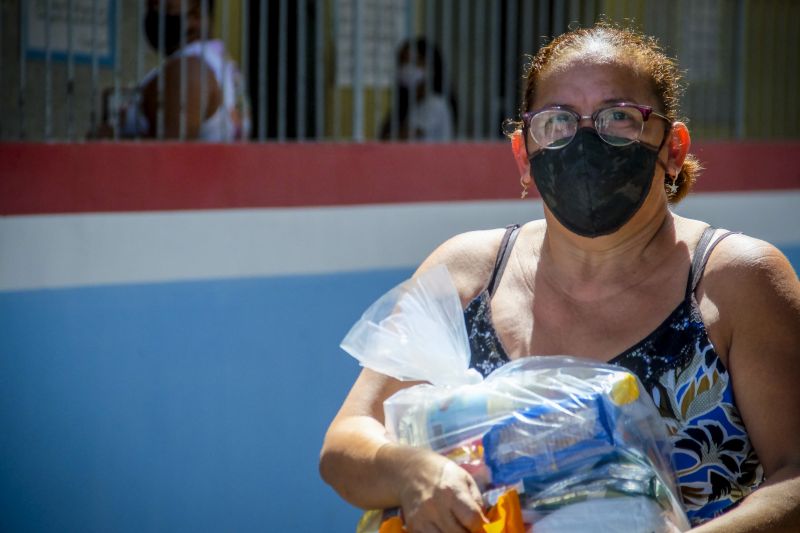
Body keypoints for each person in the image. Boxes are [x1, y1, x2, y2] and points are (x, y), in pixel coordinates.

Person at [320, 22, 800, 533]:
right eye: (557, 121)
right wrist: (412, 473)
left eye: (619, 117)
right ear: (523, 156)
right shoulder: (466, 274)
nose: (586, 140)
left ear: (673, 148)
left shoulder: (737, 281)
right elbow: (347, 442)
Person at [98, 0, 250, 141]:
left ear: (196, 14)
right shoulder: (214, 61)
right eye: (151, 5)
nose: (153, 13)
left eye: (163, 6)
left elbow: (170, 154)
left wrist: (111, 139)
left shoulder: (188, 70)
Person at [380, 38, 456, 141]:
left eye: (413, 62)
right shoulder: (409, 106)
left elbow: (401, 138)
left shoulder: (435, 104)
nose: (406, 68)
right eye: (402, 62)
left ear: (430, 66)